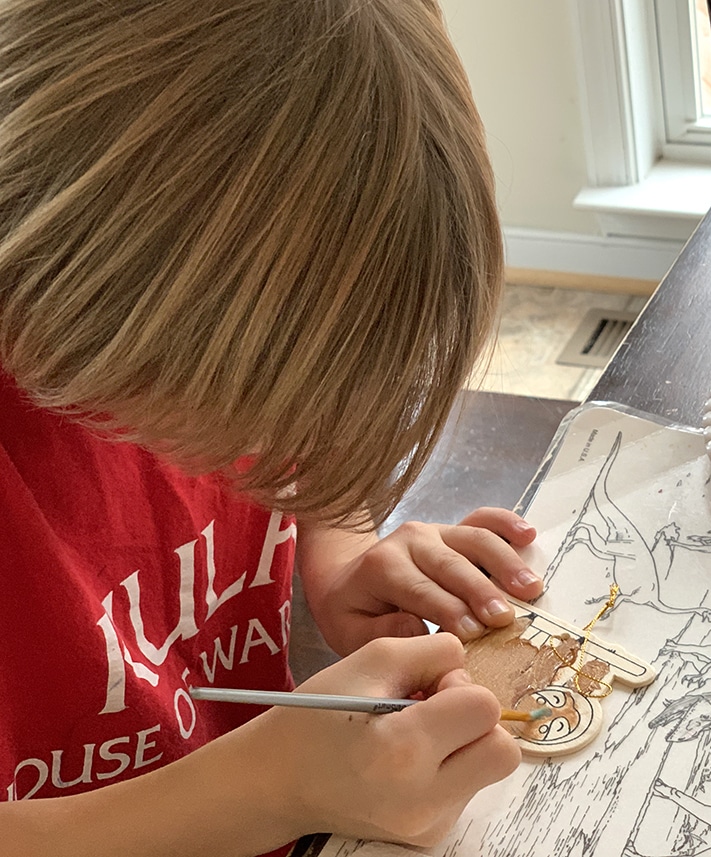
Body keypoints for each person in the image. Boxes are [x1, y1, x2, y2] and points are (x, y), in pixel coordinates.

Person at [0, 0, 543, 853]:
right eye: (245, 420)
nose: (274, 451)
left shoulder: (193, 307)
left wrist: (343, 552)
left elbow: (314, 439)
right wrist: (267, 790)